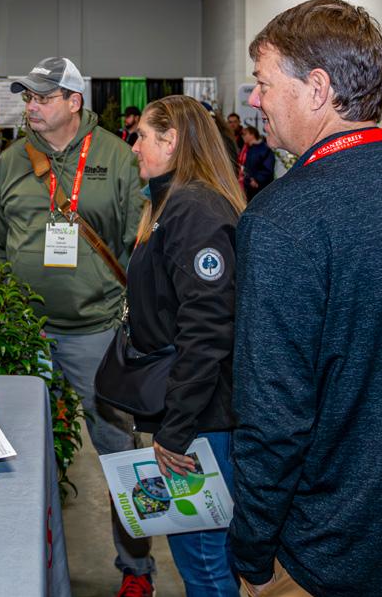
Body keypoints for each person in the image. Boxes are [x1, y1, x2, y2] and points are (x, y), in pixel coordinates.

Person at [231, 0, 382, 597]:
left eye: (263, 83)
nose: (255, 100)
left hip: (326, 555)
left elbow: (273, 419)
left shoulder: (283, 218)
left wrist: (251, 555)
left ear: (317, 89)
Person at [0, 56, 154, 596]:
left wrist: (131, 315)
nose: (30, 106)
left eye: (42, 97)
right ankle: (21, 564)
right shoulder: (12, 160)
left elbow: (140, 241)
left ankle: (137, 570)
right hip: (26, 335)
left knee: (119, 451)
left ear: (74, 102)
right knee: (20, 451)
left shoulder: (117, 157)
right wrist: (3, 306)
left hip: (96, 332)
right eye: (27, 97)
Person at [128, 95, 245, 597]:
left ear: (171, 140)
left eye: (142, 136)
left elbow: (207, 328)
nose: (134, 146)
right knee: (206, 560)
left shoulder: (194, 210)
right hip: (195, 414)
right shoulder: (176, 203)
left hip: (201, 422)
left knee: (204, 564)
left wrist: (176, 430)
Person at [240, 125, 275, 201]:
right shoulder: (248, 149)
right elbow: (246, 167)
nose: (243, 136)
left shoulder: (265, 149)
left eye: (245, 134)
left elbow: (268, 168)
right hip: (249, 187)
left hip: (261, 188)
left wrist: (256, 179)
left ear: (252, 134)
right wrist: (248, 179)